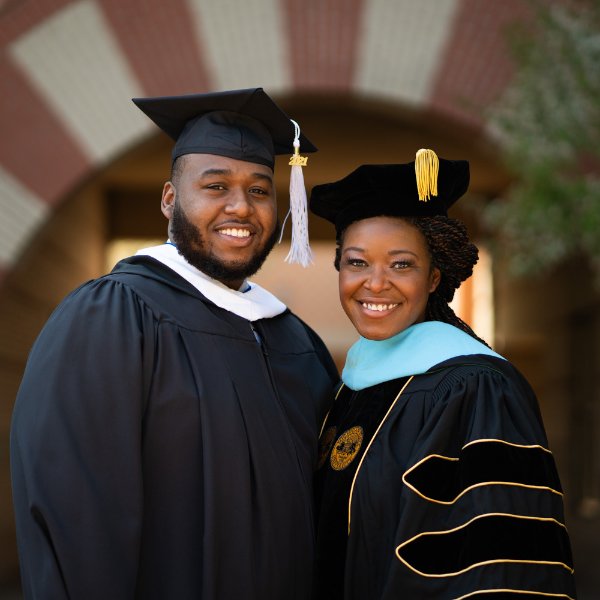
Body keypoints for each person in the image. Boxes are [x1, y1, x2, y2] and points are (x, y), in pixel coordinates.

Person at [10, 87, 339, 600]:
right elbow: (74, 517)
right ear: (169, 199)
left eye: (259, 190)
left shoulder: (296, 342)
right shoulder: (113, 320)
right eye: (215, 186)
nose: (241, 207)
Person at [308, 150, 577, 599]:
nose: (375, 283)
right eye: (357, 262)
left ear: (434, 278)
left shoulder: (474, 388)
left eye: (401, 264)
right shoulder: (351, 387)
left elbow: (499, 564)